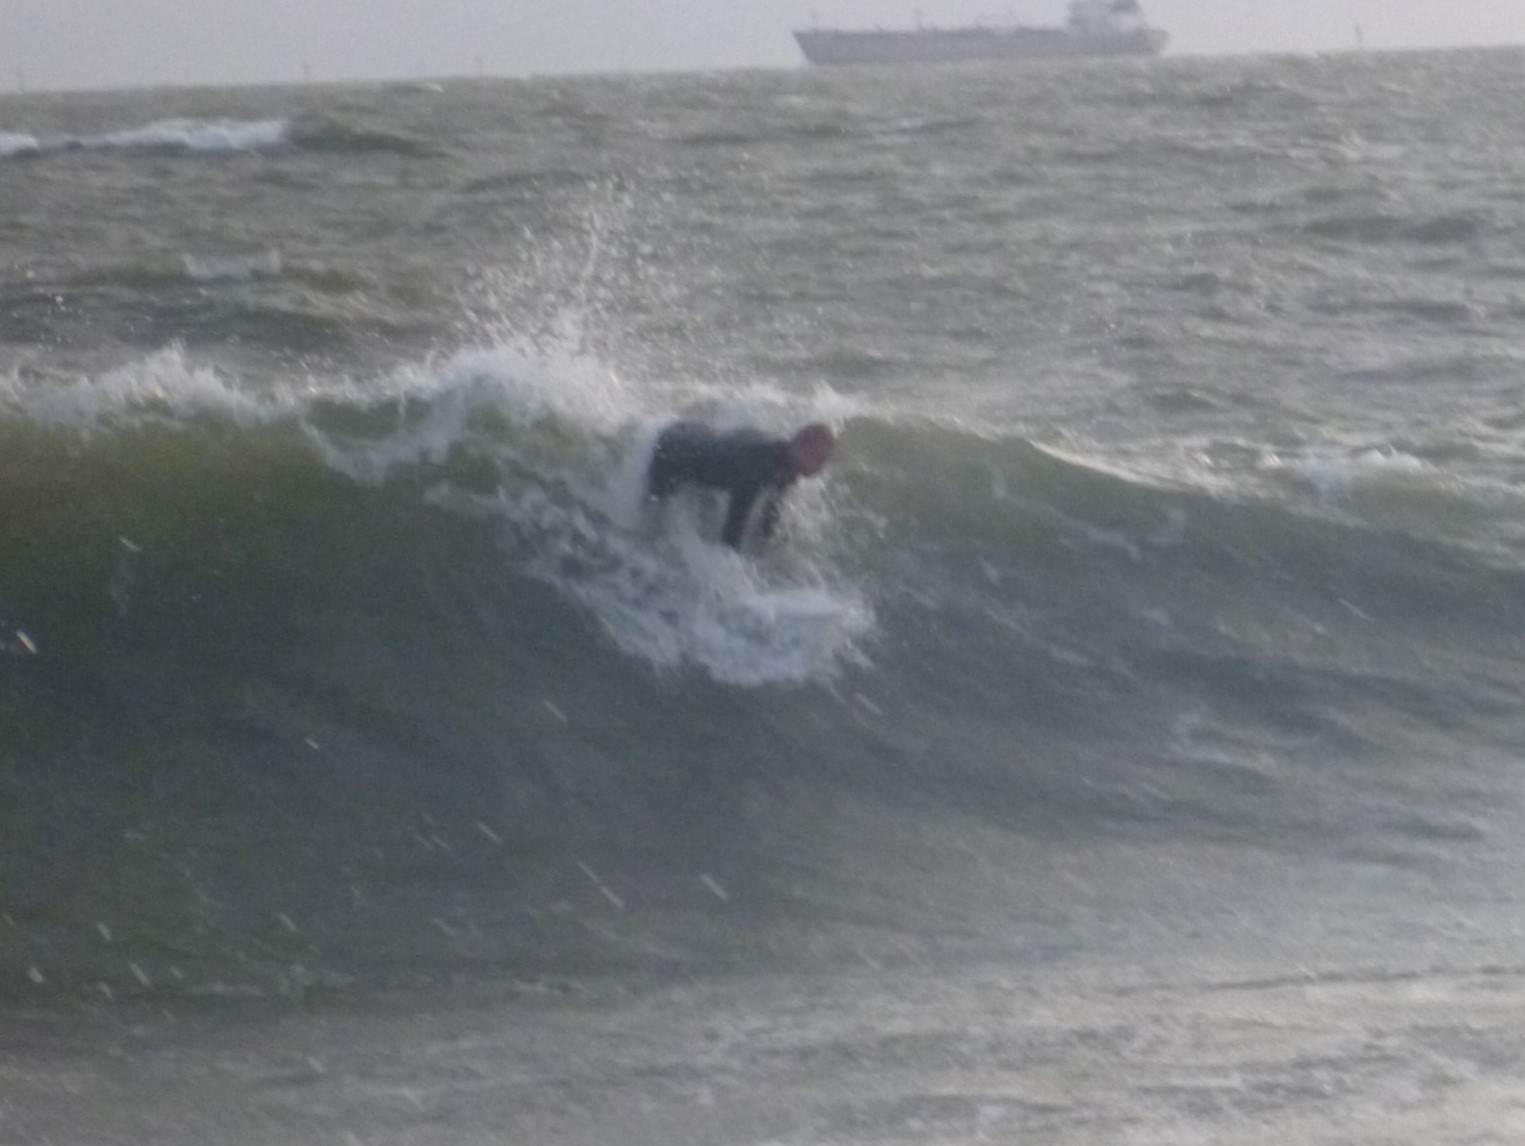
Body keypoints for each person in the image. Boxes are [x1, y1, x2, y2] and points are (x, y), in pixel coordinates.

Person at [646, 421, 836, 550]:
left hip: (698, 436)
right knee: (653, 526)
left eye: (824, 461)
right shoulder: (758, 467)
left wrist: (762, 550)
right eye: (817, 458)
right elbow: (732, 532)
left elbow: (770, 516)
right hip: (673, 450)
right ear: (799, 445)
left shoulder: (787, 465)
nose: (820, 468)